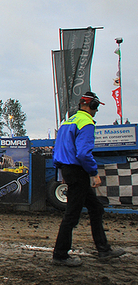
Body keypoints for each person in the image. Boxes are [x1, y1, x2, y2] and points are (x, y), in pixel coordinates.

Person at [52, 92, 125, 266]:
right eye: (96, 107)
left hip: (69, 170)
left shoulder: (67, 122)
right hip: (78, 172)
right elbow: (83, 153)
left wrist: (62, 173)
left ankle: (104, 249)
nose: (97, 110)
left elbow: (59, 150)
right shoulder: (86, 123)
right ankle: (60, 255)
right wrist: (93, 173)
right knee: (72, 215)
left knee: (96, 207)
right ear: (91, 106)